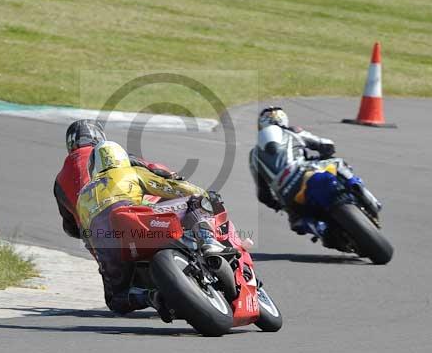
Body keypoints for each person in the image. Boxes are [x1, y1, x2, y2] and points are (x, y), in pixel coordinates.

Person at [75, 140, 222, 317]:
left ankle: (149, 297)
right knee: (196, 201)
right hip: (135, 221)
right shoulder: (129, 171)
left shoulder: (81, 197)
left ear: (94, 166)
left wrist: (105, 266)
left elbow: (87, 238)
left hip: (108, 246)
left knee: (115, 300)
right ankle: (208, 242)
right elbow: (172, 188)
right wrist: (204, 194)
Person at [54, 119, 182, 241]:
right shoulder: (109, 154)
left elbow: (71, 229)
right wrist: (172, 176)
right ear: (99, 138)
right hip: (136, 212)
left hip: (98, 235)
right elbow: (155, 169)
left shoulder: (59, 181)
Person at [248, 106, 345, 237]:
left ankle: (321, 230)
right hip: (305, 172)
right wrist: (326, 152)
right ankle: (359, 191)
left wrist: (279, 205)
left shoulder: (253, 155)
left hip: (288, 196)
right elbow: (324, 144)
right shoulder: (293, 132)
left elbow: (263, 195)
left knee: (298, 220)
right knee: (338, 163)